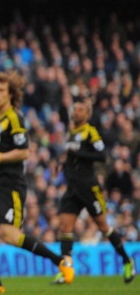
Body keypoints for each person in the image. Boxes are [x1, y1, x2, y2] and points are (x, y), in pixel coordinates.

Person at [0, 70, 74, 295]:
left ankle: (60, 261)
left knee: (9, 235)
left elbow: (23, 152)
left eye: (1, 90)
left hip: (11, 185)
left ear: (11, 94)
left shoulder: (14, 117)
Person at [54, 98, 135, 284]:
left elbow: (101, 155)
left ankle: (127, 260)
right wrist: (62, 164)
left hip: (88, 187)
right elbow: (71, 157)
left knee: (104, 227)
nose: (76, 111)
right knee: (65, 228)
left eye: (80, 109)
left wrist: (78, 154)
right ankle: (66, 270)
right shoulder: (71, 132)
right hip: (72, 188)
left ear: (87, 114)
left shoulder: (90, 132)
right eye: (75, 109)